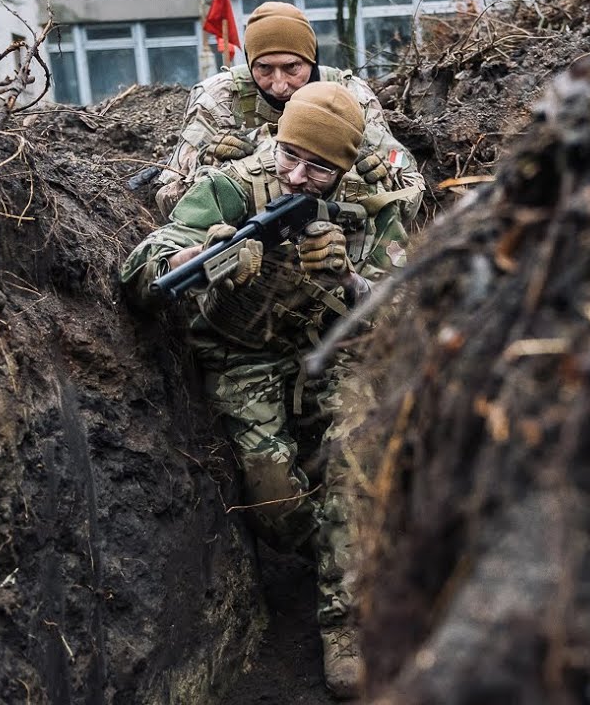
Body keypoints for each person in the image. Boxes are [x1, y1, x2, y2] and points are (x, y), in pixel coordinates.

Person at [121, 82, 412, 699]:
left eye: (318, 168)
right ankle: (361, 556)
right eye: (289, 157)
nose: (298, 176)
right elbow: (144, 267)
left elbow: (406, 313)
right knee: (275, 510)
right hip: (245, 355)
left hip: (337, 354)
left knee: (355, 459)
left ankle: (348, 625)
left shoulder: (375, 201)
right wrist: (207, 256)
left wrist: (350, 277)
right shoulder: (233, 184)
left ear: (345, 166)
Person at [153, 1, 424, 222]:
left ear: (312, 58)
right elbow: (167, 202)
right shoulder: (219, 99)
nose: (280, 84)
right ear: (249, 64)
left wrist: (385, 167)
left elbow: (409, 181)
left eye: (292, 67)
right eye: (264, 69)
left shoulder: (350, 96)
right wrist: (205, 163)